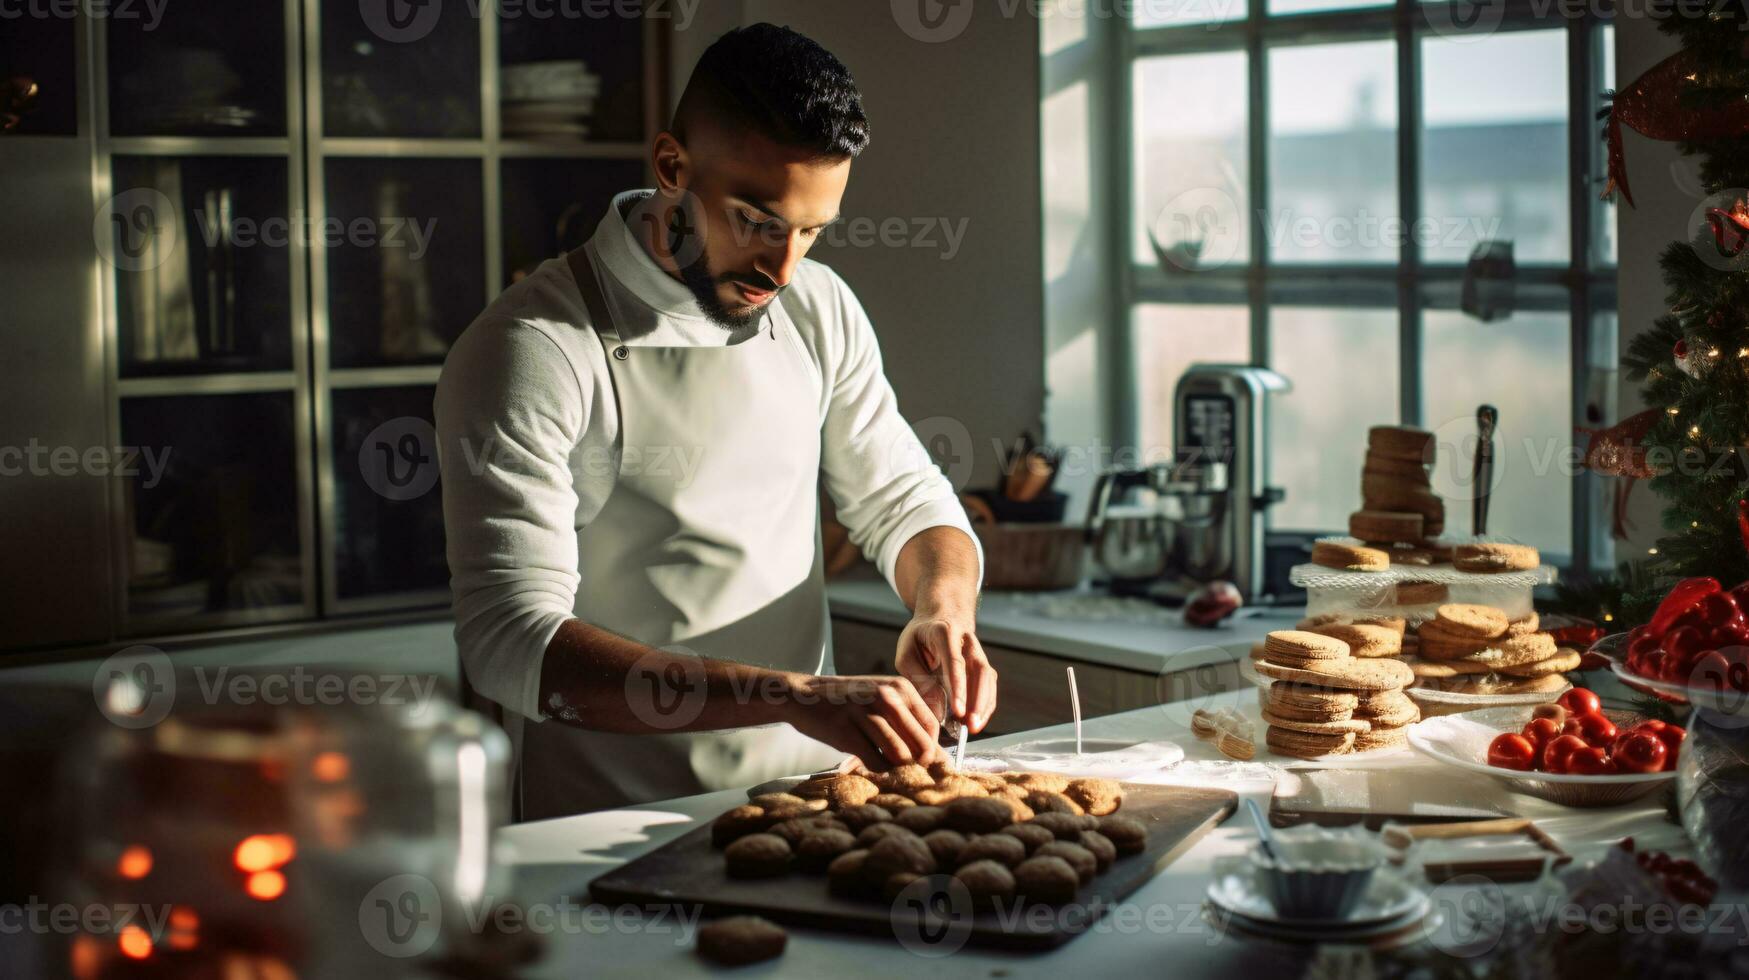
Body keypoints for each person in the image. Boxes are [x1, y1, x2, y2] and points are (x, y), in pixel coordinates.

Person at [435, 23, 995, 819]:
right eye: (759, 221)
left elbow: (905, 497)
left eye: (811, 231)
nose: (784, 268)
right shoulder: (533, 349)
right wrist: (789, 693)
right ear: (671, 167)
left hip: (811, 807)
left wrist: (942, 609)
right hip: (605, 830)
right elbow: (511, 643)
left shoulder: (818, 307)